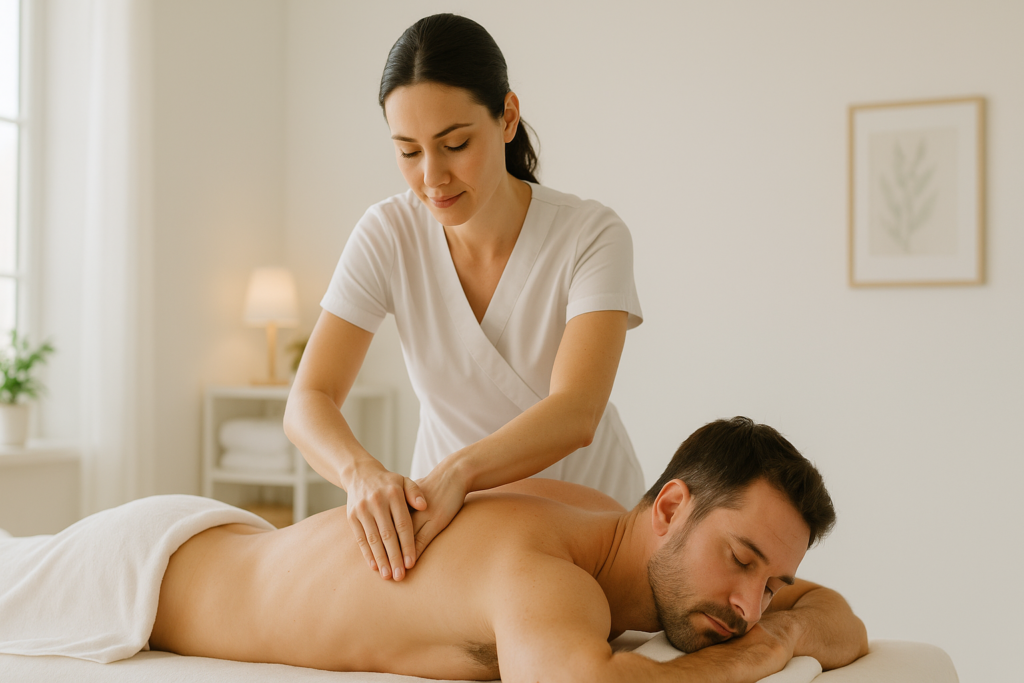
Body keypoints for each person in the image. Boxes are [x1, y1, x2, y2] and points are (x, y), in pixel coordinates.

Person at [0, 417, 869, 680]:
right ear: (671, 505)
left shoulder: (617, 530)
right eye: (744, 560)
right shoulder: (547, 578)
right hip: (141, 576)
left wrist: (785, 630)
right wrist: (770, 649)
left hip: (222, 539)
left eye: (776, 579)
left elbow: (842, 621)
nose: (751, 603)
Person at [283, 13, 647, 584]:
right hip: (452, 535)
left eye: (455, 144)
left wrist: (457, 474)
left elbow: (577, 412)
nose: (433, 177)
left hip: (590, 524)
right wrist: (362, 475)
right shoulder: (388, 234)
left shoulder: (591, 235)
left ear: (507, 116)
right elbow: (309, 398)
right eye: (408, 152)